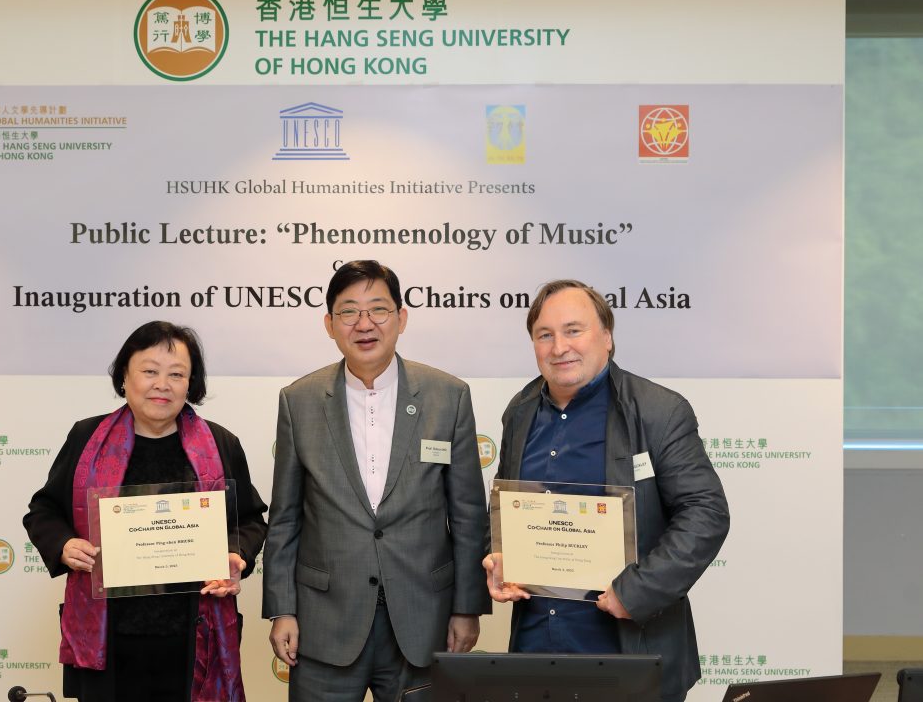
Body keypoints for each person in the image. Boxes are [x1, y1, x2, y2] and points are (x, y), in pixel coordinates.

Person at [483, 279, 730, 702]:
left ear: (607, 337)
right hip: (537, 650)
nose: (559, 346)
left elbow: (705, 513)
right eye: (545, 335)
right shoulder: (520, 412)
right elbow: (506, 507)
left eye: (573, 330)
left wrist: (635, 592)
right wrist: (499, 557)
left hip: (630, 656)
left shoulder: (658, 411)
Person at [263, 260, 491, 702]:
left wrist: (467, 607)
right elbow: (286, 517)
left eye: (378, 310)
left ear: (401, 318)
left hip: (423, 620)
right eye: (348, 311)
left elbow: (466, 515)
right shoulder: (299, 401)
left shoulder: (448, 396)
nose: (364, 324)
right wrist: (282, 608)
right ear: (329, 324)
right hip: (324, 621)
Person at [24, 321, 268, 702]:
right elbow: (44, 510)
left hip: (193, 637)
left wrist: (236, 553)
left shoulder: (220, 444)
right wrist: (64, 544)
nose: (162, 384)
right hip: (110, 641)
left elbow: (250, 519)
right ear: (125, 376)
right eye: (149, 371)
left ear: (191, 383)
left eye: (176, 374)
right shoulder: (87, 438)